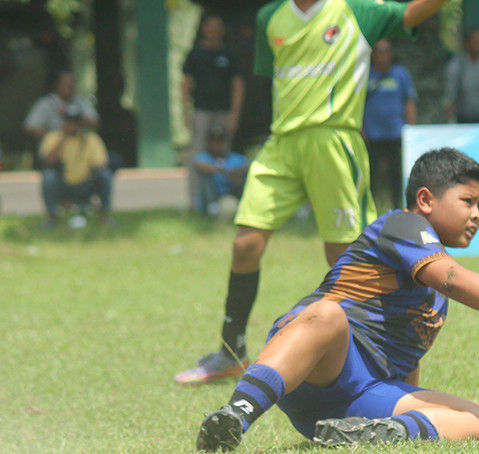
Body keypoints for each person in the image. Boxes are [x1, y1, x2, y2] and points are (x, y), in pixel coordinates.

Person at [195, 148, 479, 452]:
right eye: (468, 201)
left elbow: (406, 364)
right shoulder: (403, 224)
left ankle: (379, 435)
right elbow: (452, 278)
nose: (477, 215)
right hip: (315, 363)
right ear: (425, 200)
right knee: (328, 314)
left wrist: (412, 411)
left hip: (357, 399)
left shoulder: (435, 297)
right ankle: (238, 415)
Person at [174, 0, 454, 386]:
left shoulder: (357, 11)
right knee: (245, 244)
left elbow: (411, 14)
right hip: (282, 145)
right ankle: (231, 351)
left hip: (334, 141)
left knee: (343, 257)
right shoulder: (269, 17)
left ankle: (365, 356)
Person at [182, 14, 246, 208]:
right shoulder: (195, 55)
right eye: (210, 26)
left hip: (224, 112)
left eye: (218, 26)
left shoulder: (229, 54)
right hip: (202, 111)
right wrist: (185, 111)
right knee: (198, 157)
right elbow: (186, 84)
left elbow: (237, 84)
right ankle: (196, 202)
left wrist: (235, 114)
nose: (214, 30)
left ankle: (224, 198)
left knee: (224, 156)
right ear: (203, 29)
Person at [38, 104, 114, 229]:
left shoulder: (91, 139)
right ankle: (51, 218)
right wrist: (63, 137)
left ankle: (104, 216)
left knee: (105, 175)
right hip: (63, 184)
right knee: (48, 176)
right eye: (69, 121)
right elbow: (49, 161)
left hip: (86, 183)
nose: (72, 125)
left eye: (75, 122)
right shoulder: (53, 137)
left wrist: (91, 173)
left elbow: (101, 164)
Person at [363, 39, 417, 211]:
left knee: (397, 176)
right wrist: (360, 129)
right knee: (371, 177)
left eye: (386, 51)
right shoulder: (365, 75)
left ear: (392, 54)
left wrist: (410, 127)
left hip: (396, 133)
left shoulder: (400, 74)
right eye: (379, 51)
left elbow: (409, 100)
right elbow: (357, 104)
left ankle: (398, 208)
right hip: (372, 135)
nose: (383, 55)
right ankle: (370, 210)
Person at [23, 71, 100, 165]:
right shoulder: (46, 103)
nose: (70, 86)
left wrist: (76, 117)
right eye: (67, 84)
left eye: (73, 83)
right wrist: (54, 136)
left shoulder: (81, 102)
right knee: (50, 177)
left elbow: (96, 123)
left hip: (80, 152)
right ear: (57, 85)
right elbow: (29, 127)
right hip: (56, 152)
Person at [193, 125, 250, 219]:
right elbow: (200, 166)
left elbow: (250, 165)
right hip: (212, 196)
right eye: (214, 142)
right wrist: (224, 172)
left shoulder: (234, 157)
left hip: (230, 193)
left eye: (220, 142)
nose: (217, 145)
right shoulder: (204, 157)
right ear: (209, 143)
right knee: (206, 178)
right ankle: (211, 209)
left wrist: (237, 173)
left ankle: (244, 208)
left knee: (244, 179)